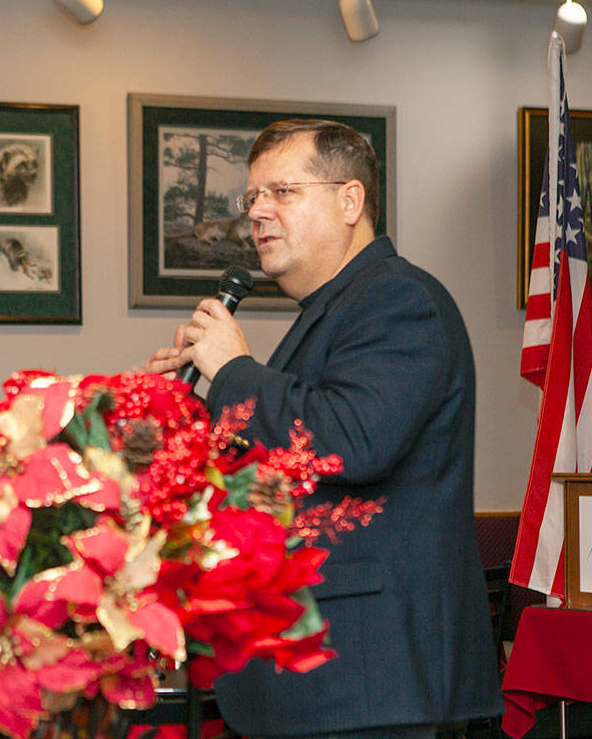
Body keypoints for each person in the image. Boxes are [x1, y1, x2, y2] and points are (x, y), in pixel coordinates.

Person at [146, 120, 501, 738]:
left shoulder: (399, 299)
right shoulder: (333, 312)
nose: (257, 213)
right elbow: (276, 464)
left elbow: (353, 440)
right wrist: (169, 424)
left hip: (368, 683)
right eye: (251, 197)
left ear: (350, 201)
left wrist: (233, 370)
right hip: (319, 683)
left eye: (281, 193)